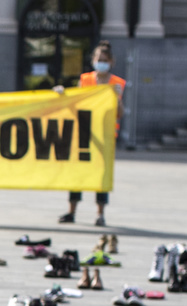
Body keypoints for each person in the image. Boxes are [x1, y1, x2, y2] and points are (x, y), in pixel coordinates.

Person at [57, 41, 125, 226]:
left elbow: (119, 114)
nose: (101, 63)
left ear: (111, 62)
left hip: (105, 136)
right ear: (93, 60)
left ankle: (100, 214)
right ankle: (71, 211)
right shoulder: (85, 80)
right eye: (98, 60)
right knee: (77, 173)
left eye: (104, 60)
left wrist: (118, 98)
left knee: (101, 174)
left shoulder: (116, 84)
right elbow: (76, 102)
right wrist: (62, 95)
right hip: (84, 133)